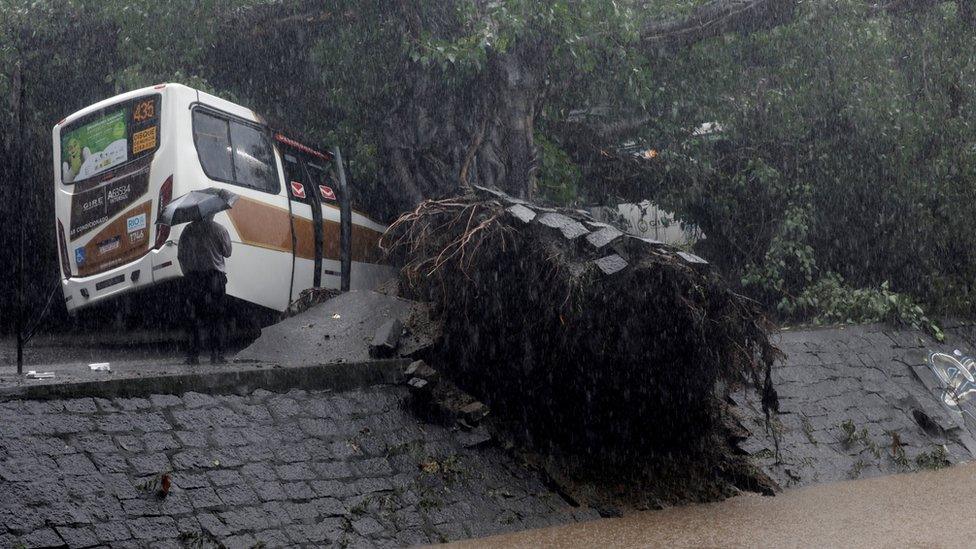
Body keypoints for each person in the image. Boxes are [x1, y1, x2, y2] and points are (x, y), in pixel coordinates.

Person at [177, 213, 232, 364]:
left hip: (194, 278)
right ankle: (217, 355)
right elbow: (228, 253)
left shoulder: (188, 230)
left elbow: (180, 255)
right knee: (217, 317)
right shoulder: (220, 229)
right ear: (213, 212)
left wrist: (187, 273)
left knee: (194, 317)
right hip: (215, 278)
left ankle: (193, 356)